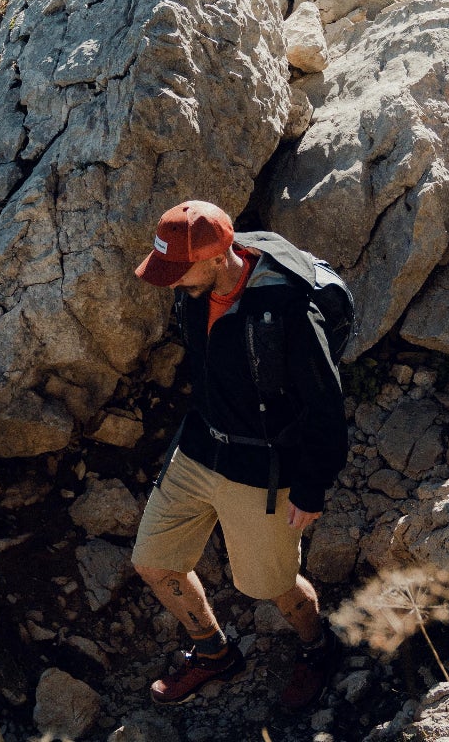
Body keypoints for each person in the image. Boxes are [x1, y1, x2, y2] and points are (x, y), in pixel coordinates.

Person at [128, 200, 351, 709]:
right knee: (154, 563)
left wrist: (312, 487)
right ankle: (215, 654)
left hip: (261, 467)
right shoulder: (194, 290)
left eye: (178, 270)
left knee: (272, 584)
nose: (170, 282)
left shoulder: (288, 308)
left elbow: (325, 405)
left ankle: (318, 647)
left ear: (216, 257)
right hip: (200, 447)